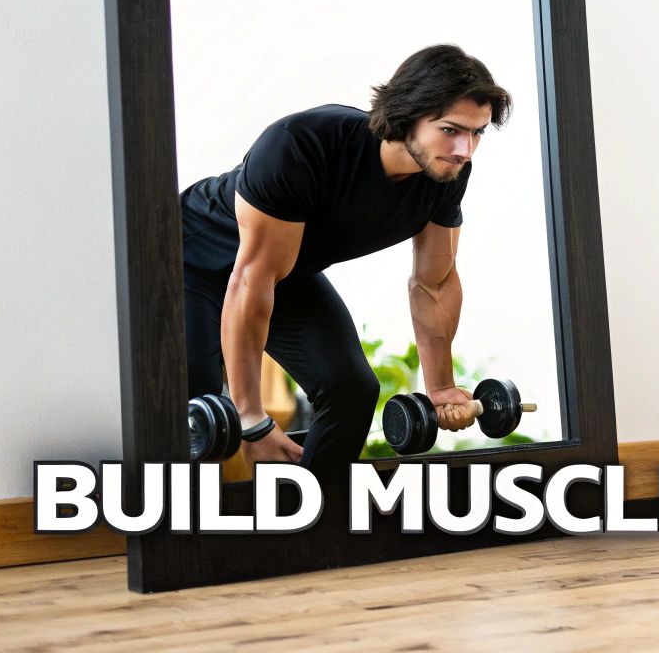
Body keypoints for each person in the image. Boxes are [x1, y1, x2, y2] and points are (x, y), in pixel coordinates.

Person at [180, 44, 512, 469]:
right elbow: (251, 281)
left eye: (477, 132)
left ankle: (314, 521)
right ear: (408, 113)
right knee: (198, 415)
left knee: (351, 389)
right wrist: (251, 419)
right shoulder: (303, 144)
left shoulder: (444, 176)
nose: (465, 149)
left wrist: (442, 386)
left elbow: (435, 282)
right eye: (451, 130)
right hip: (191, 260)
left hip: (284, 270)